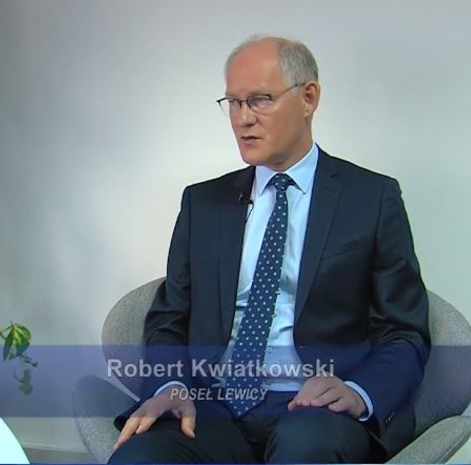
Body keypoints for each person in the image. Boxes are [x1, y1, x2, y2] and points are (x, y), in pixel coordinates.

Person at [108, 34, 430, 464]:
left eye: (260, 100)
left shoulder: (371, 199)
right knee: (141, 456)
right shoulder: (203, 203)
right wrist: (170, 385)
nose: (243, 119)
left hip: (314, 408)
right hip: (210, 406)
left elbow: (404, 331)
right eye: (233, 103)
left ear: (308, 98)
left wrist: (358, 391)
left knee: (307, 448)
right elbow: (170, 318)